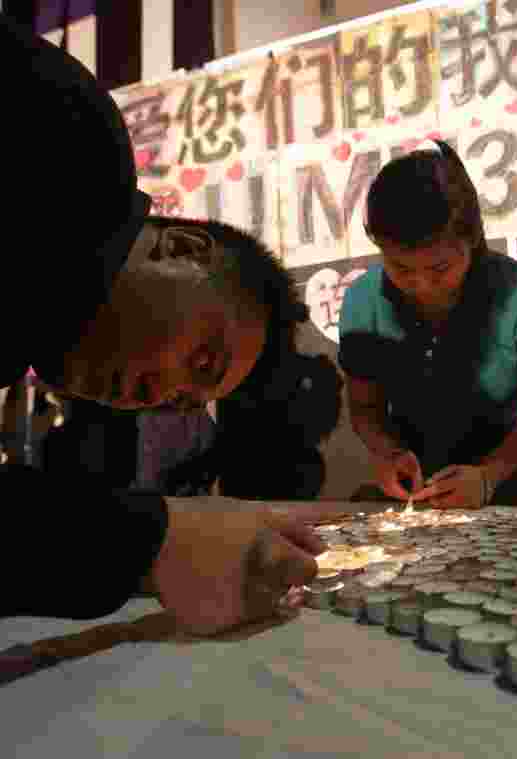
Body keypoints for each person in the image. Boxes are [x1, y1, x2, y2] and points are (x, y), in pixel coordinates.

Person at [1, 14, 324, 634]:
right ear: (180, 250)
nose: (153, 397)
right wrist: (149, 540)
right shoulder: (70, 140)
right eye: (202, 361)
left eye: (181, 401)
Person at [338, 141, 517, 509]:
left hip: (514, 501)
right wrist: (388, 453)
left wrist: (488, 477)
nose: (421, 285)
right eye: (401, 269)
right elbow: (365, 409)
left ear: (471, 239)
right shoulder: (363, 302)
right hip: (418, 499)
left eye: (439, 268)